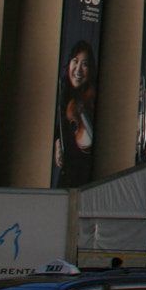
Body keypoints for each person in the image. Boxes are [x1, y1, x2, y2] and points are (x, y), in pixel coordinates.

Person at [54, 40, 96, 186]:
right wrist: (58, 143)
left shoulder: (92, 97)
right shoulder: (62, 91)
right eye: (75, 61)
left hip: (84, 176)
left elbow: (90, 139)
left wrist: (83, 113)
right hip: (66, 172)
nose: (78, 70)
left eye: (84, 64)